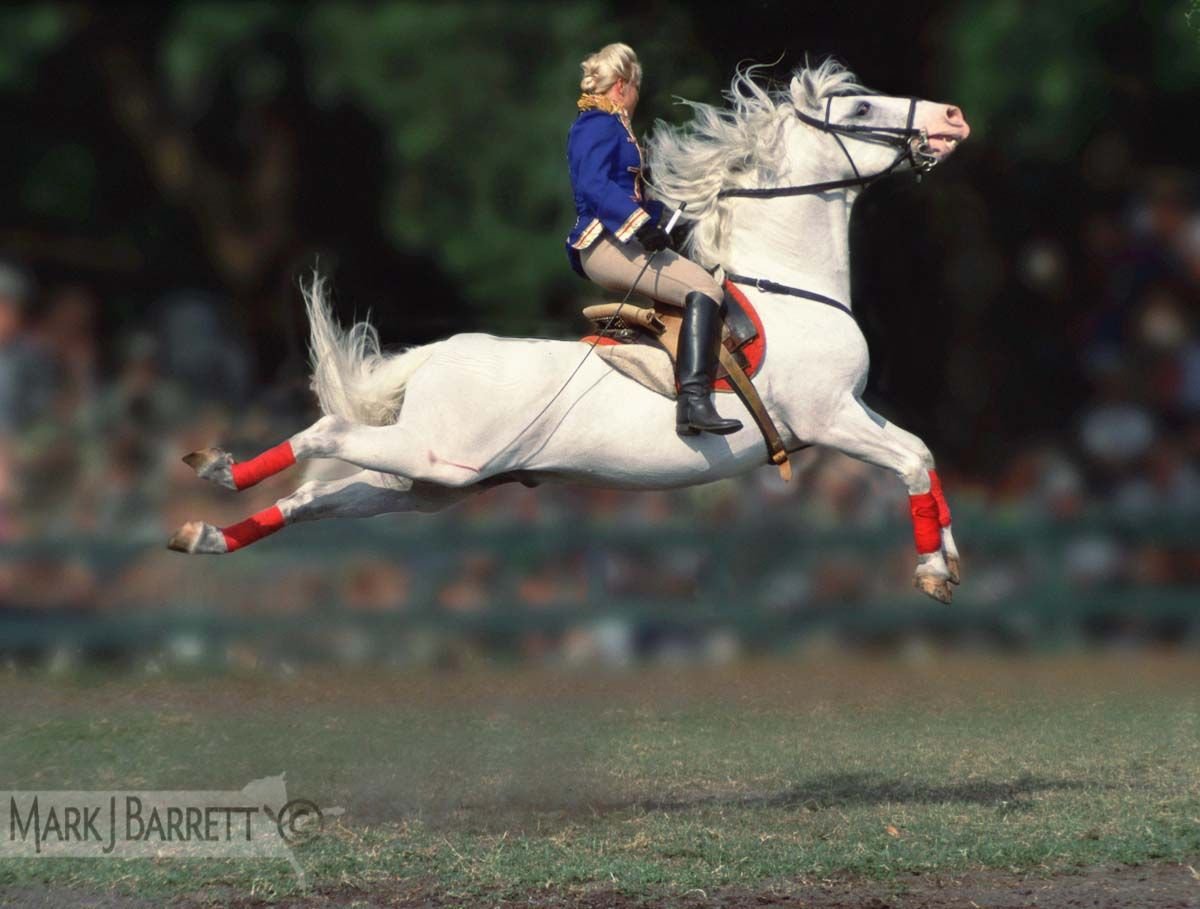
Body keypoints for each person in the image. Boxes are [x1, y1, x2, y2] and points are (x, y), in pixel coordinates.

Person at [565, 43, 742, 436]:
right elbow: (593, 185)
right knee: (704, 290)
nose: (637, 99)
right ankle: (693, 402)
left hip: (621, 237)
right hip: (605, 241)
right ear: (624, 86)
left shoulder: (613, 126)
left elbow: (630, 193)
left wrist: (667, 219)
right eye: (637, 90)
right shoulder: (597, 123)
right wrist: (637, 224)